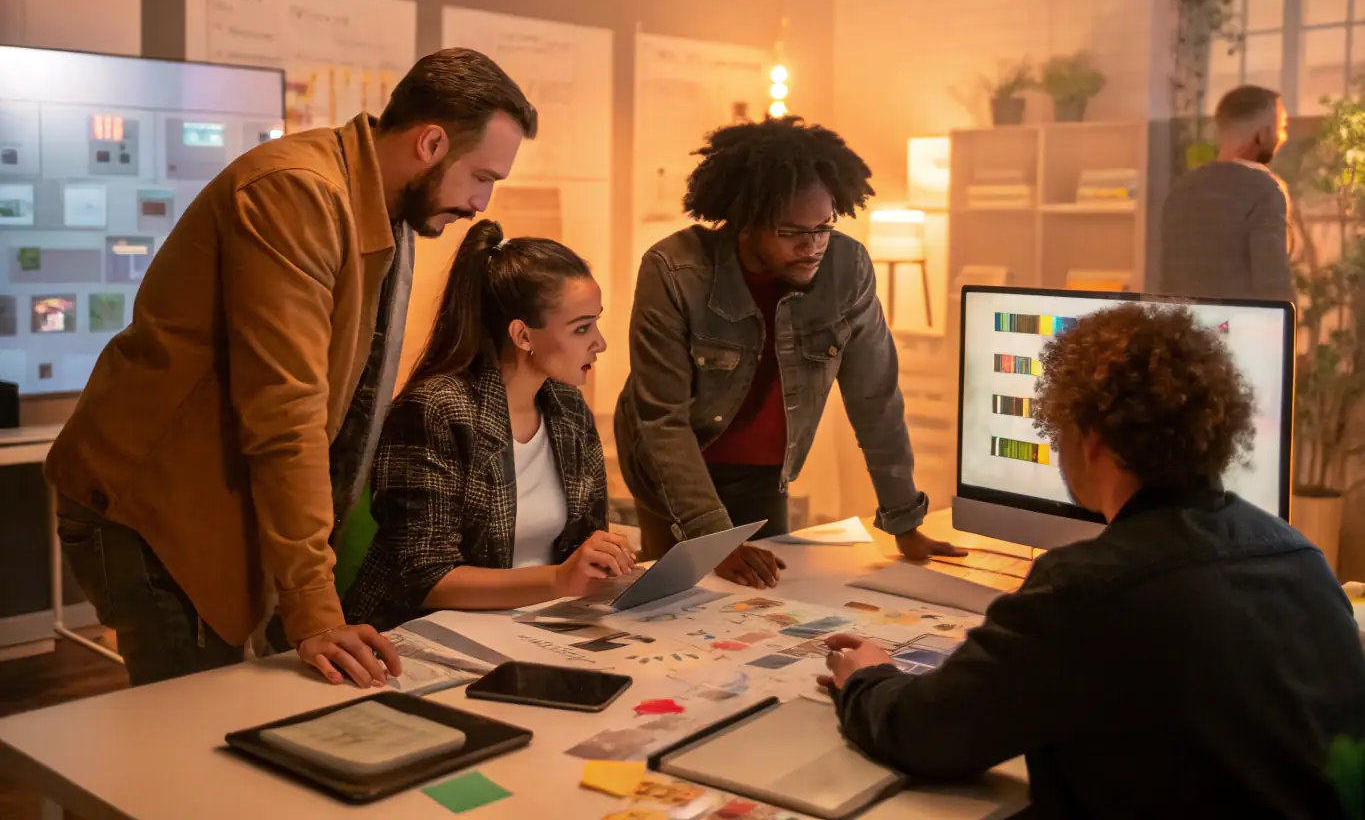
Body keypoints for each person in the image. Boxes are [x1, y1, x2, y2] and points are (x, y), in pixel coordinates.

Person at [45, 49, 537, 687]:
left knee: (233, 712)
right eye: (481, 176)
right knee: (194, 726)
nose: (481, 201)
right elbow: (287, 411)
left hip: (220, 501)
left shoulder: (384, 213)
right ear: (432, 142)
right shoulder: (298, 192)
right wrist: (313, 608)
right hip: (153, 507)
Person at [821, 303, 1365, 819]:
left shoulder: (1086, 588)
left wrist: (868, 678)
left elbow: (926, 734)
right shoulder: (1301, 557)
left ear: (1093, 441)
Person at [614, 116, 962, 589]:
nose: (813, 245)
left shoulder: (847, 267)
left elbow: (875, 397)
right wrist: (713, 539)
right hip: (670, 461)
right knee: (676, 594)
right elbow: (662, 421)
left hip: (761, 471)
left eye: (823, 227)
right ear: (745, 221)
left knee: (761, 598)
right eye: (792, 232)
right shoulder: (675, 269)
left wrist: (905, 520)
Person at [344, 220, 632, 630]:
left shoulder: (568, 409)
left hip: (538, 625)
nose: (599, 342)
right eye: (582, 327)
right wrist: (558, 579)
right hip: (422, 635)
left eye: (595, 322)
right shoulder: (436, 408)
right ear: (522, 335)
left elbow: (585, 546)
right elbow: (423, 577)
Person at [1161, 84, 1294, 302]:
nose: (1283, 137)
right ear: (1262, 134)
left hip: (1184, 326)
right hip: (1240, 328)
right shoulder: (1265, 189)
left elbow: (1166, 278)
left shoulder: (1182, 188)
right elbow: (1274, 285)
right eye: (1281, 127)